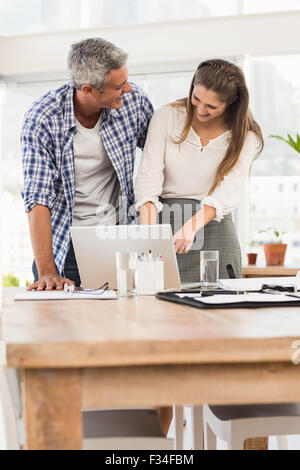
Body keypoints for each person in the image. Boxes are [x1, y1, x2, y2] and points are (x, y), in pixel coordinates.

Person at [21, 37, 154, 291]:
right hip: (65, 244)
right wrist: (47, 272)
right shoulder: (43, 118)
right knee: (64, 327)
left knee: (121, 324)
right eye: (118, 86)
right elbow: (38, 198)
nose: (127, 89)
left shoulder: (135, 103)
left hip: (119, 238)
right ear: (88, 90)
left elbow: (158, 159)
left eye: (126, 80)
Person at [135, 59, 264, 283]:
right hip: (165, 227)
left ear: (232, 102)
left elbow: (227, 191)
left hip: (215, 231)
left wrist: (190, 227)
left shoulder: (246, 135)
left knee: (219, 314)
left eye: (211, 106)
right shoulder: (166, 117)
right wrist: (150, 239)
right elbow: (148, 183)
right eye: (196, 99)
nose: (200, 110)